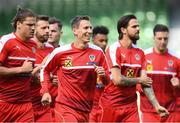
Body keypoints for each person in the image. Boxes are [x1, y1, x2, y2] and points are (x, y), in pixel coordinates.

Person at [99, 14, 169, 122]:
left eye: (138, 26)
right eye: (134, 26)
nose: (138, 29)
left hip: (131, 107)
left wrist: (156, 105)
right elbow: (118, 80)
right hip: (111, 105)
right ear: (123, 30)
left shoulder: (140, 53)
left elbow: (146, 82)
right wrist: (139, 80)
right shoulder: (114, 49)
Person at [40, 15, 110, 122]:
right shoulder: (60, 52)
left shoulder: (98, 52)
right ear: (75, 30)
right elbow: (45, 70)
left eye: (90, 28)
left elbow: (107, 81)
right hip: (65, 108)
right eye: (86, 28)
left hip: (86, 110)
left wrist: (103, 75)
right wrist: (45, 91)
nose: (90, 31)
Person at [0, 7, 36, 122]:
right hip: (4, 103)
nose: (33, 28)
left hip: (25, 105)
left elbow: (28, 72)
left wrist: (35, 76)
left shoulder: (33, 45)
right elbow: (23, 70)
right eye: (29, 25)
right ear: (19, 24)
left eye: (34, 25)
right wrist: (20, 69)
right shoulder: (6, 41)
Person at [139, 24, 180, 122]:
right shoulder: (143, 56)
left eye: (165, 39)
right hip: (149, 111)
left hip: (172, 111)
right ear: (154, 38)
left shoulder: (177, 58)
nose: (163, 42)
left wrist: (179, 84)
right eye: (159, 38)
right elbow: (137, 82)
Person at [31, 15, 54, 122]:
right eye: (43, 28)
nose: (48, 31)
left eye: (48, 28)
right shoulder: (25, 47)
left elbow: (51, 75)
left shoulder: (51, 49)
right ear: (34, 29)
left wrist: (54, 79)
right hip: (26, 103)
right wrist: (42, 66)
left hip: (44, 103)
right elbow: (22, 76)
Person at [89, 25, 109, 122]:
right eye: (101, 41)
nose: (104, 44)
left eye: (106, 41)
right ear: (93, 39)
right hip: (89, 106)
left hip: (105, 106)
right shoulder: (87, 57)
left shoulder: (110, 57)